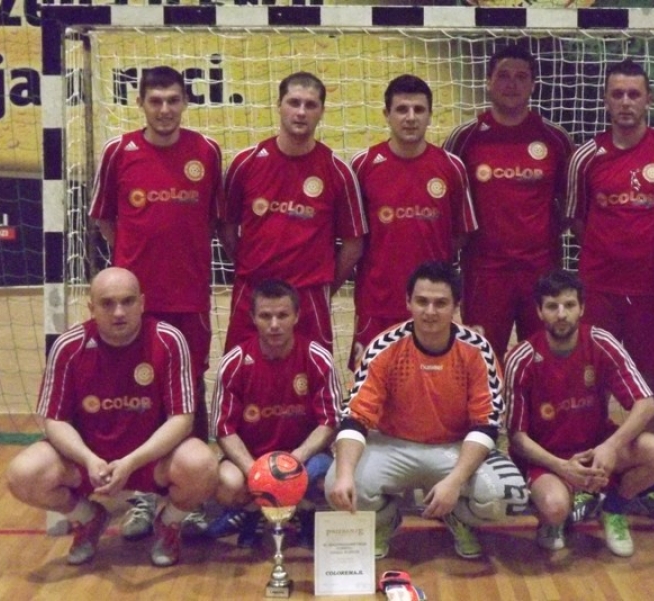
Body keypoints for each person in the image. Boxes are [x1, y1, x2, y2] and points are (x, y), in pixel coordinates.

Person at [5, 268, 218, 567]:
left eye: (128, 301)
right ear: (91, 308)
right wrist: (88, 459)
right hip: (91, 463)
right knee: (22, 474)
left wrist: (131, 462)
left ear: (142, 303)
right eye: (107, 303)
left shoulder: (168, 340)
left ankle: (168, 523)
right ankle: (88, 518)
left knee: (203, 465)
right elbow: (53, 420)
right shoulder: (69, 346)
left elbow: (182, 419)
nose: (119, 312)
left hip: (150, 461)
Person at [89, 65, 223, 538]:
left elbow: (213, 221)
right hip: (134, 305)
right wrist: (133, 272)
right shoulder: (118, 151)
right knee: (140, 394)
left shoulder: (206, 152)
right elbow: (106, 220)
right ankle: (142, 496)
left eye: (173, 100)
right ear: (141, 104)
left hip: (189, 298)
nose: (164, 109)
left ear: (185, 102)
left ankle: (193, 497)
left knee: (190, 392)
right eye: (155, 101)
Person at [326, 261, 529, 560]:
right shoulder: (384, 347)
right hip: (393, 445)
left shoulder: (478, 350)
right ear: (408, 302)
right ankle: (386, 520)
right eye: (422, 301)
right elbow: (355, 418)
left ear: (456, 306)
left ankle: (455, 514)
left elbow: (486, 424)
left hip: (455, 448)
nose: (430, 311)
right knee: (336, 484)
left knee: (510, 496)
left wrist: (454, 482)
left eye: (441, 303)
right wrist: (345, 475)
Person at [565, 59, 654, 525]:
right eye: (617, 94)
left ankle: (644, 483)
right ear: (605, 100)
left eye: (633, 94)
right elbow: (577, 220)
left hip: (651, 291)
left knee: (649, 382)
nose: (625, 102)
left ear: (648, 99)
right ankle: (592, 480)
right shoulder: (586, 157)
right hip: (599, 289)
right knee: (592, 385)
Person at [504, 269, 654, 557]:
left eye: (569, 305)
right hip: (548, 457)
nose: (561, 314)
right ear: (539, 311)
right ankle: (553, 519)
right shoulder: (521, 358)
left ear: (582, 308)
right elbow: (517, 438)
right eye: (552, 306)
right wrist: (562, 467)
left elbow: (646, 404)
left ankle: (614, 508)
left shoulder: (600, 342)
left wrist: (610, 447)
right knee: (554, 507)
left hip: (597, 448)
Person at [221, 71, 367, 354]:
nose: (301, 112)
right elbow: (226, 226)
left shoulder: (337, 171)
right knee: (242, 372)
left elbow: (353, 244)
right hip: (252, 293)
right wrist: (248, 266)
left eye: (310, 105)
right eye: (294, 102)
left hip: (309, 297)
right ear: (279, 105)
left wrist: (324, 287)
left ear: (321, 111)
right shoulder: (245, 163)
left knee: (310, 376)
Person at [444, 44, 574, 359]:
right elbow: (449, 208)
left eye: (521, 77)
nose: (512, 84)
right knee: (481, 360)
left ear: (533, 84)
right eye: (503, 76)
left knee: (543, 360)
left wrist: (542, 237)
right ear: (488, 82)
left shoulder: (555, 139)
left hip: (540, 271)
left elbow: (570, 203)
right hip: (484, 274)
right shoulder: (465, 138)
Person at [349, 74, 477, 369]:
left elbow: (460, 234)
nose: (410, 118)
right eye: (401, 109)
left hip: (432, 307)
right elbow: (353, 236)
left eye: (419, 110)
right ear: (387, 114)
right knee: (369, 387)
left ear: (430, 115)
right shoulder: (362, 165)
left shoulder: (451, 166)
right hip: (377, 305)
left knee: (431, 385)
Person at [207, 279, 342, 548]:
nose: (274, 324)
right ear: (253, 318)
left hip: (302, 457)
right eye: (265, 316)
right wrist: (257, 472)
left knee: (326, 478)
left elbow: (330, 422)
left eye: (282, 315)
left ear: (297, 316)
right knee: (226, 483)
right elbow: (223, 428)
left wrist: (294, 461)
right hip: (251, 458)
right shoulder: (235, 362)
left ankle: (305, 512)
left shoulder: (318, 358)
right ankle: (252, 512)